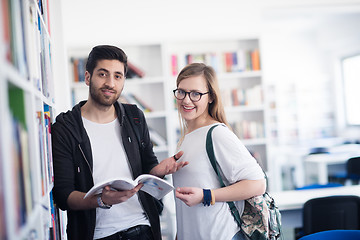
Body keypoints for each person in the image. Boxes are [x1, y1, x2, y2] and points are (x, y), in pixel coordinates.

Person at [51, 45, 187, 240]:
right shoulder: (65, 128)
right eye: (103, 74)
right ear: (88, 77)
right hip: (97, 235)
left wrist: (158, 171)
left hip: (143, 228)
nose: (110, 83)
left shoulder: (135, 117)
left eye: (117, 76)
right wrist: (100, 200)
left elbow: (148, 165)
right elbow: (64, 196)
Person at [172, 63, 266, 240]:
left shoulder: (217, 134)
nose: (186, 100)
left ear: (210, 97)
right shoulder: (185, 138)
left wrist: (206, 195)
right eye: (181, 92)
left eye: (195, 94)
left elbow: (258, 184)